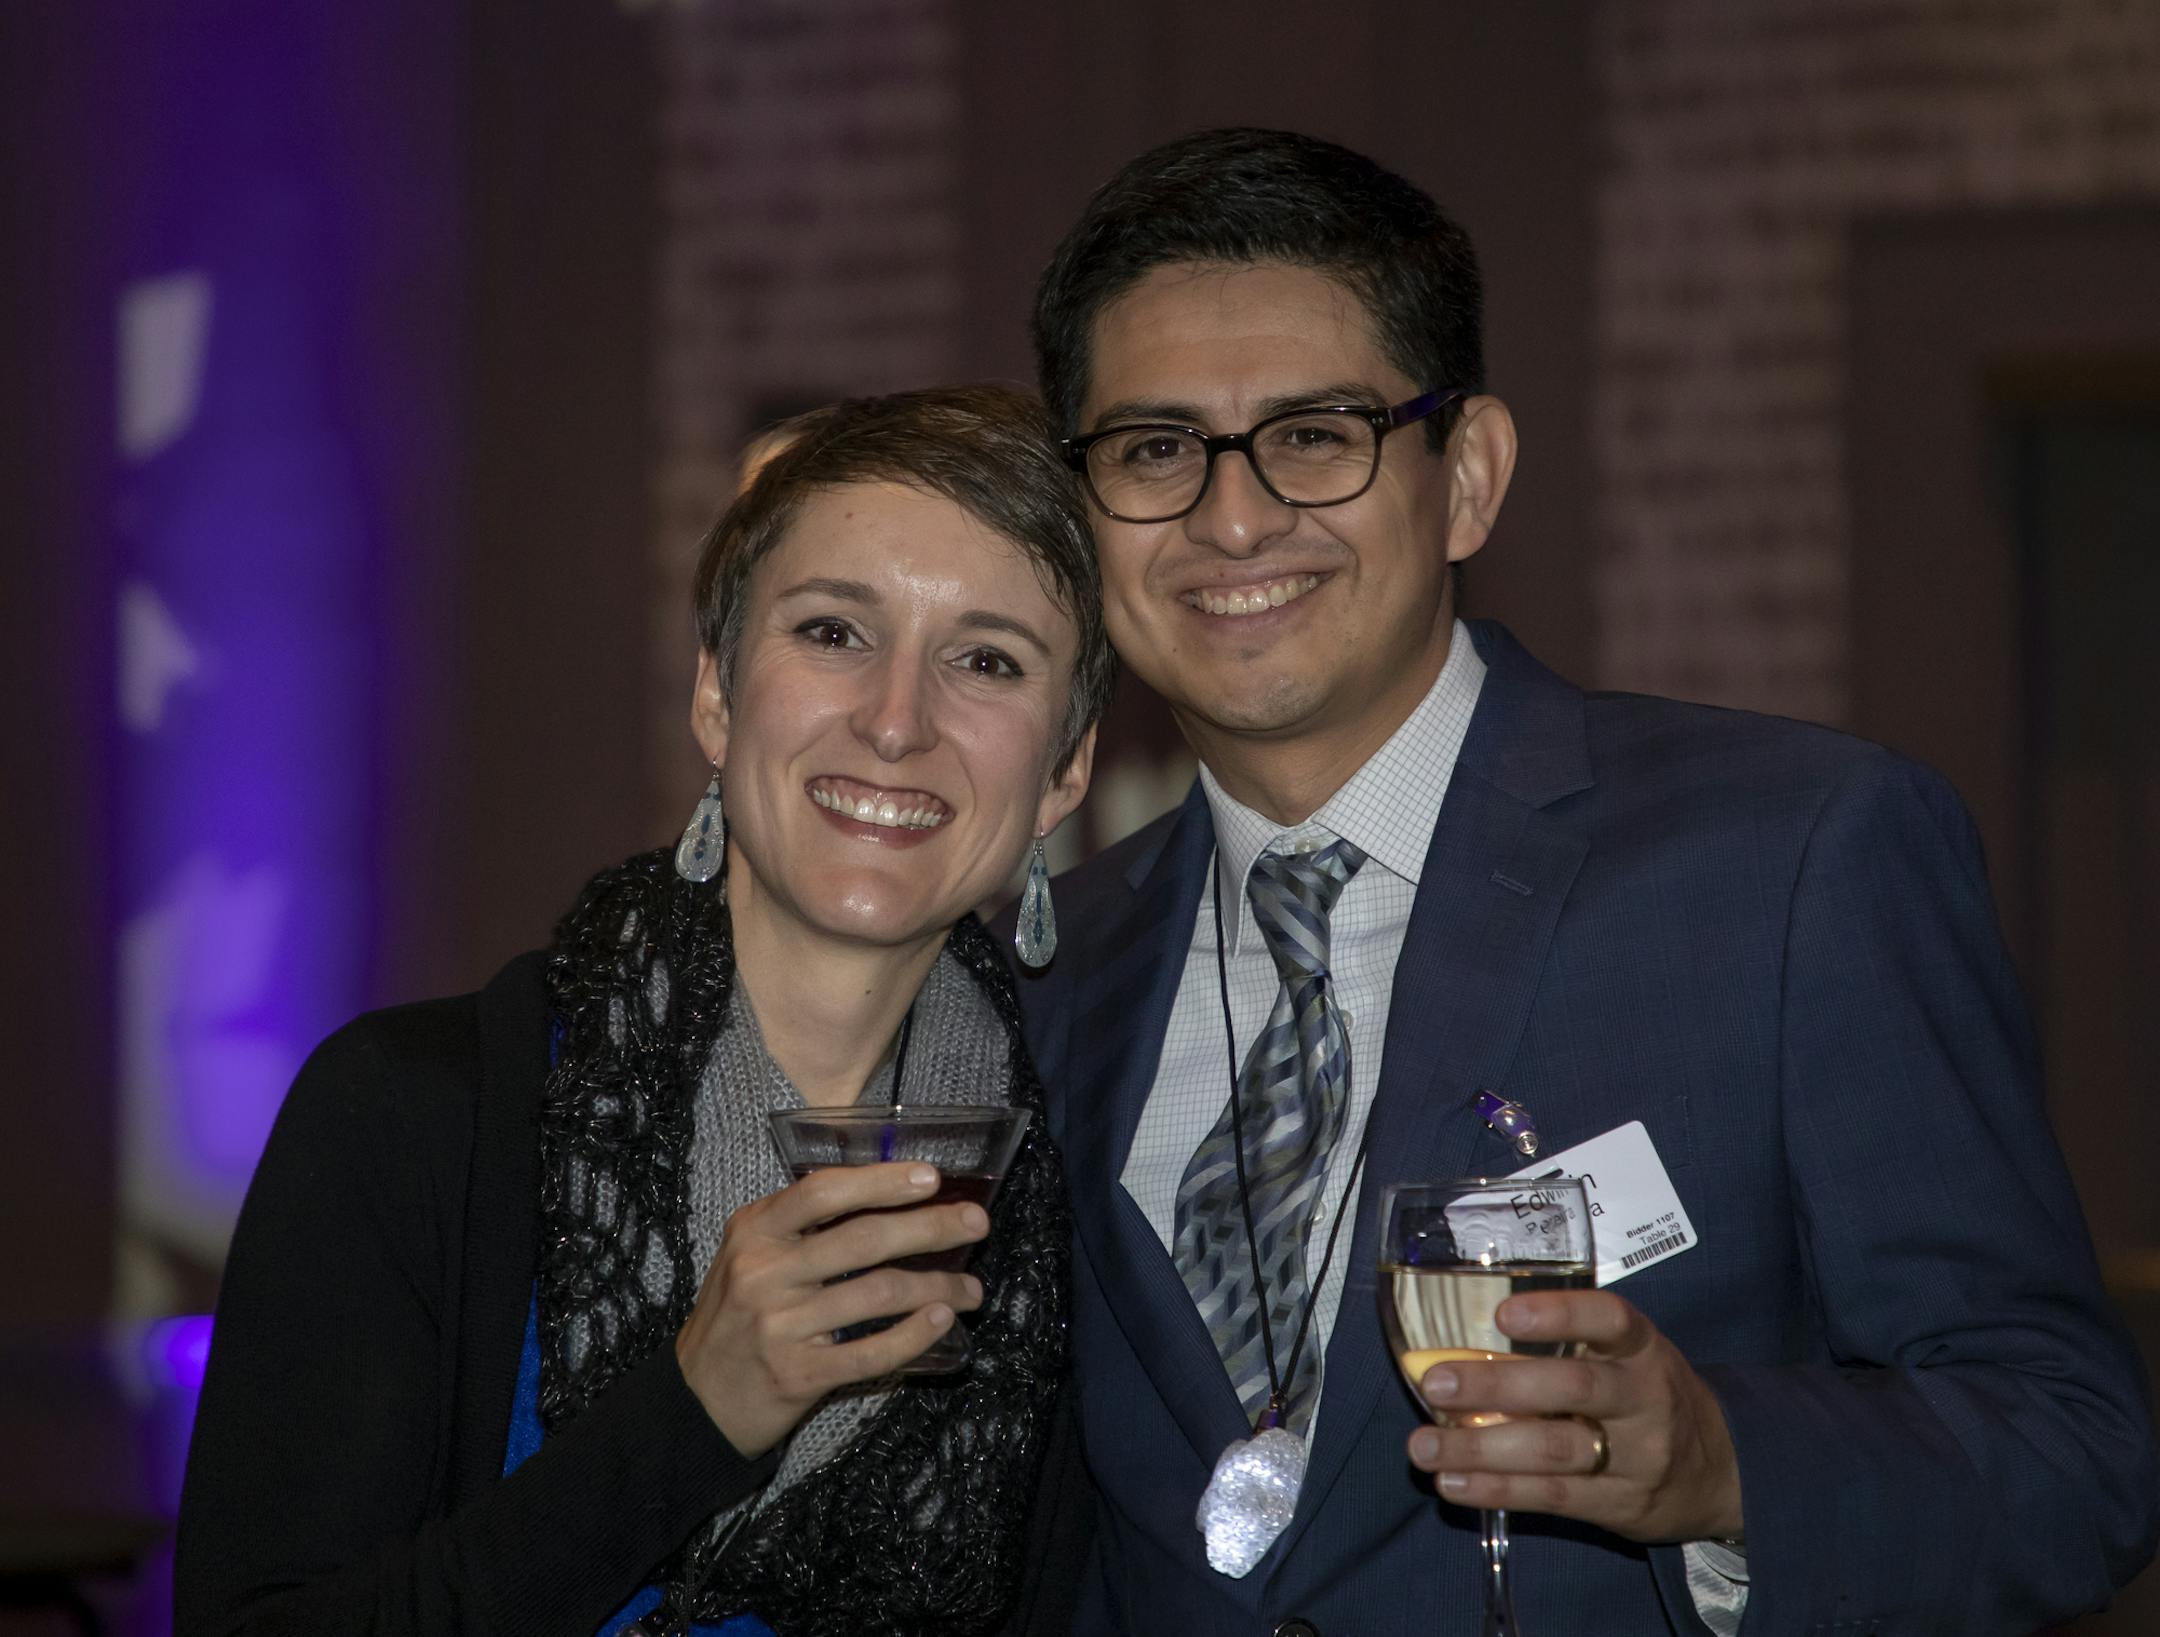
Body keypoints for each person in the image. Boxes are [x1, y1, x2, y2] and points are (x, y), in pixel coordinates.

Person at [1004, 127, 2158, 1636]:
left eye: (1318, 433)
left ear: (1468, 474)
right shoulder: (1048, 967)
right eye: (1156, 449)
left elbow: (2077, 1459)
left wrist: (1725, 1466)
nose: (1234, 517)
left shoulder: (1796, 861)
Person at [176, 384, 1116, 1637]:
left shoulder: (1077, 1191)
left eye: (987, 659)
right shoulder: (410, 1112)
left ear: (1065, 768)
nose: (898, 719)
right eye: (834, 630)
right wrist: (693, 1411)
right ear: (718, 697)